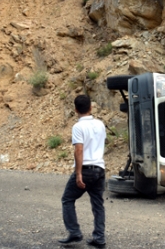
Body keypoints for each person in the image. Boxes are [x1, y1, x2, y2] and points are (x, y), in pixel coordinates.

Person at [59, 95, 107, 248]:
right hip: (99, 169)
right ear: (91, 108)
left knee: (67, 199)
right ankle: (99, 238)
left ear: (75, 110)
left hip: (85, 169)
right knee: (98, 204)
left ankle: (74, 232)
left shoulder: (78, 127)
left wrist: (78, 173)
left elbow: (79, 150)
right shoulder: (100, 124)